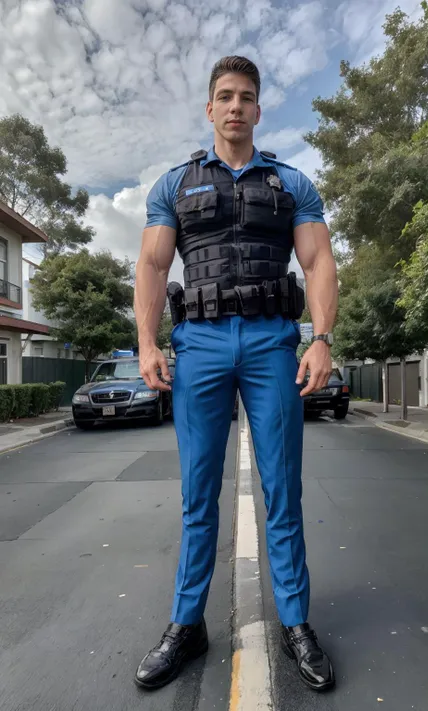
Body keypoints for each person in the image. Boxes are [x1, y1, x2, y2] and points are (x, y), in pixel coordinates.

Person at [133, 55, 338, 693]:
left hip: (273, 343)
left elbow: (319, 258)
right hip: (199, 345)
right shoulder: (175, 185)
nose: (235, 107)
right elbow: (150, 263)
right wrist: (146, 342)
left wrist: (322, 338)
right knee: (199, 496)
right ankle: (186, 624)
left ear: (258, 108)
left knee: (282, 490)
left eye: (247, 97)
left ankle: (296, 622)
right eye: (225, 96)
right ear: (209, 107)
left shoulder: (291, 183)